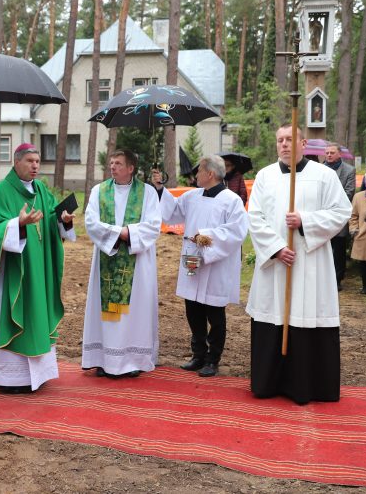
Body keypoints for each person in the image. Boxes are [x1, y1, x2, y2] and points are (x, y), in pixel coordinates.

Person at [245, 125, 351, 405]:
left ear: (303, 143)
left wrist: (306, 221)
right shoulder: (265, 176)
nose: (284, 144)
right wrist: (277, 248)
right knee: (274, 315)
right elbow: (254, 216)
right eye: (279, 140)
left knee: (305, 313)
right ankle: (269, 382)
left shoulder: (324, 176)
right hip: (276, 263)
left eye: (290, 139)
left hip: (310, 260)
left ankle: (306, 385)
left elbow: (342, 212)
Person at [0, 143, 76, 392]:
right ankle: (8, 378)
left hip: (38, 270)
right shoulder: (0, 192)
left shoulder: (41, 189)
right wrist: (17, 224)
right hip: (13, 272)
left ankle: (38, 375)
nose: (35, 166)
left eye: (37, 161)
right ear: (16, 162)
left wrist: (63, 220)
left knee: (37, 315)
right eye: (30, 161)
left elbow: (52, 218)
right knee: (13, 315)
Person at [154, 155, 249, 378]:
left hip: (215, 262)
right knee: (193, 307)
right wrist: (160, 189)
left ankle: (212, 359)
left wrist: (206, 236)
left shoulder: (231, 200)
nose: (195, 175)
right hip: (192, 259)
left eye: (198, 171)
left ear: (210, 174)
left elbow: (237, 231)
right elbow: (172, 212)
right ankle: (198, 354)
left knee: (214, 312)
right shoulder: (192, 196)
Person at [82, 150, 161, 378]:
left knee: (135, 312)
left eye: (118, 163)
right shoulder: (99, 191)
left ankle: (132, 360)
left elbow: (154, 225)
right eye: (111, 163)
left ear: (131, 168)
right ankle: (103, 360)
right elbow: (90, 221)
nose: (113, 167)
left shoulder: (147, 193)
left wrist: (130, 234)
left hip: (137, 262)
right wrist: (120, 234)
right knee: (105, 313)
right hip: (107, 258)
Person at [325, 143, 356, 290]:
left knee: (338, 249)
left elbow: (349, 192)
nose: (329, 155)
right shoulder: (320, 169)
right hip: (322, 215)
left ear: (339, 154)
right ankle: (323, 277)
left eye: (332, 152)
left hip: (339, 214)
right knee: (323, 247)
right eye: (327, 153)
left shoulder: (349, 170)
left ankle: (337, 279)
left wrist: (331, 204)